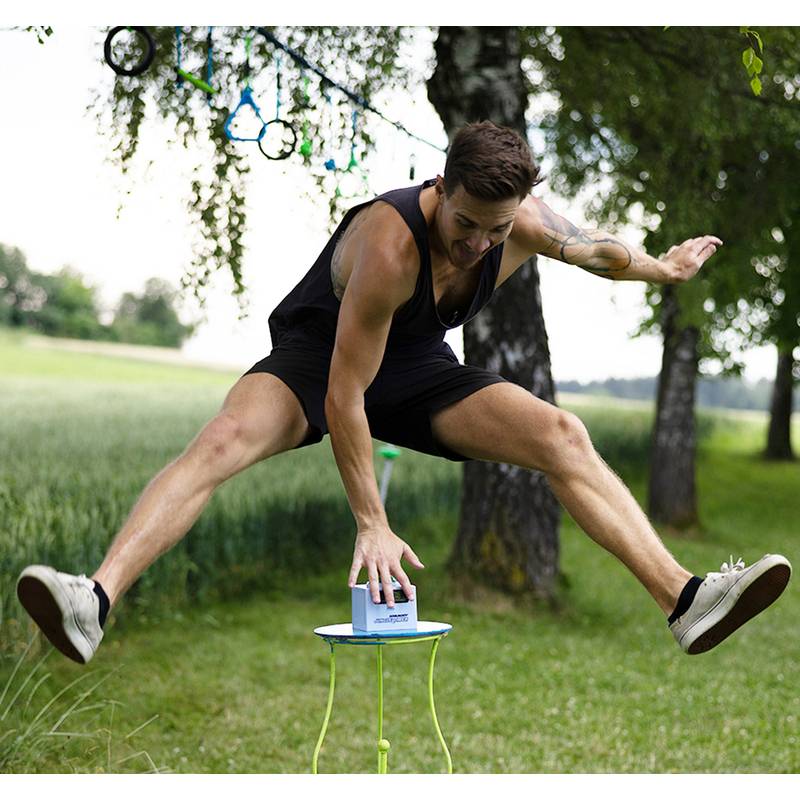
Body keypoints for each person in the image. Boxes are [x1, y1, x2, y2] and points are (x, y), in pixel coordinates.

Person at [17, 121, 791, 665]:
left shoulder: (516, 221)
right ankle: (95, 600)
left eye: (495, 230)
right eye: (464, 224)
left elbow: (598, 252)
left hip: (416, 361)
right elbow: (344, 398)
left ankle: (685, 603)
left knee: (562, 435)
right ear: (438, 186)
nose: (477, 245)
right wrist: (372, 524)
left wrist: (662, 266)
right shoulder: (389, 245)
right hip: (322, 357)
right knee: (222, 442)